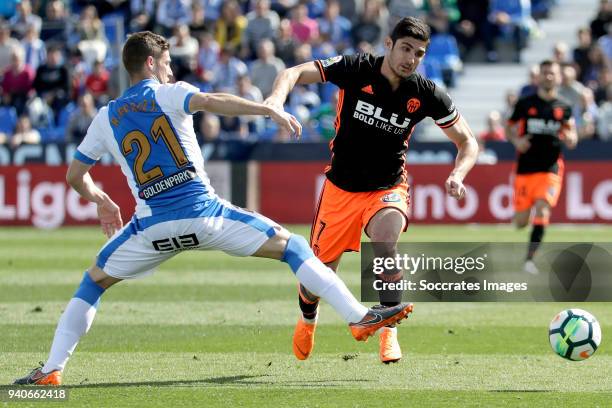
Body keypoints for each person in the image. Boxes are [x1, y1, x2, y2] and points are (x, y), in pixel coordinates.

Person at [14, 31, 413, 386]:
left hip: (150, 228)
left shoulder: (105, 117)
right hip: (205, 216)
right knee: (293, 248)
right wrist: (267, 108)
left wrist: (102, 200)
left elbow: (75, 175)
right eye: (167, 64)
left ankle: (52, 368)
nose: (170, 72)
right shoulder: (166, 93)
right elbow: (212, 101)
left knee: (92, 283)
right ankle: (358, 316)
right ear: (151, 64)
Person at [265, 17, 478, 364]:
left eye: (419, 53)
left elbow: (468, 142)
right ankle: (307, 319)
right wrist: (276, 99)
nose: (411, 58)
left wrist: (459, 173)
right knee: (316, 277)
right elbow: (293, 72)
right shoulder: (355, 67)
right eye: (406, 48)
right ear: (389, 44)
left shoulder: (426, 93)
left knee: (385, 239)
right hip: (340, 188)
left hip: (387, 186)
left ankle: (389, 327)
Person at [505, 60, 578, 275]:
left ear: (558, 77)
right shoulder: (525, 103)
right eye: (545, 73)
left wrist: (571, 138)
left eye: (552, 73)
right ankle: (524, 221)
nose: (548, 77)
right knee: (520, 222)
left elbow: (571, 133)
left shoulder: (564, 107)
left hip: (551, 167)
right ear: (539, 77)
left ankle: (529, 260)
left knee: (543, 207)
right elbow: (509, 128)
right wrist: (516, 142)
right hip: (526, 168)